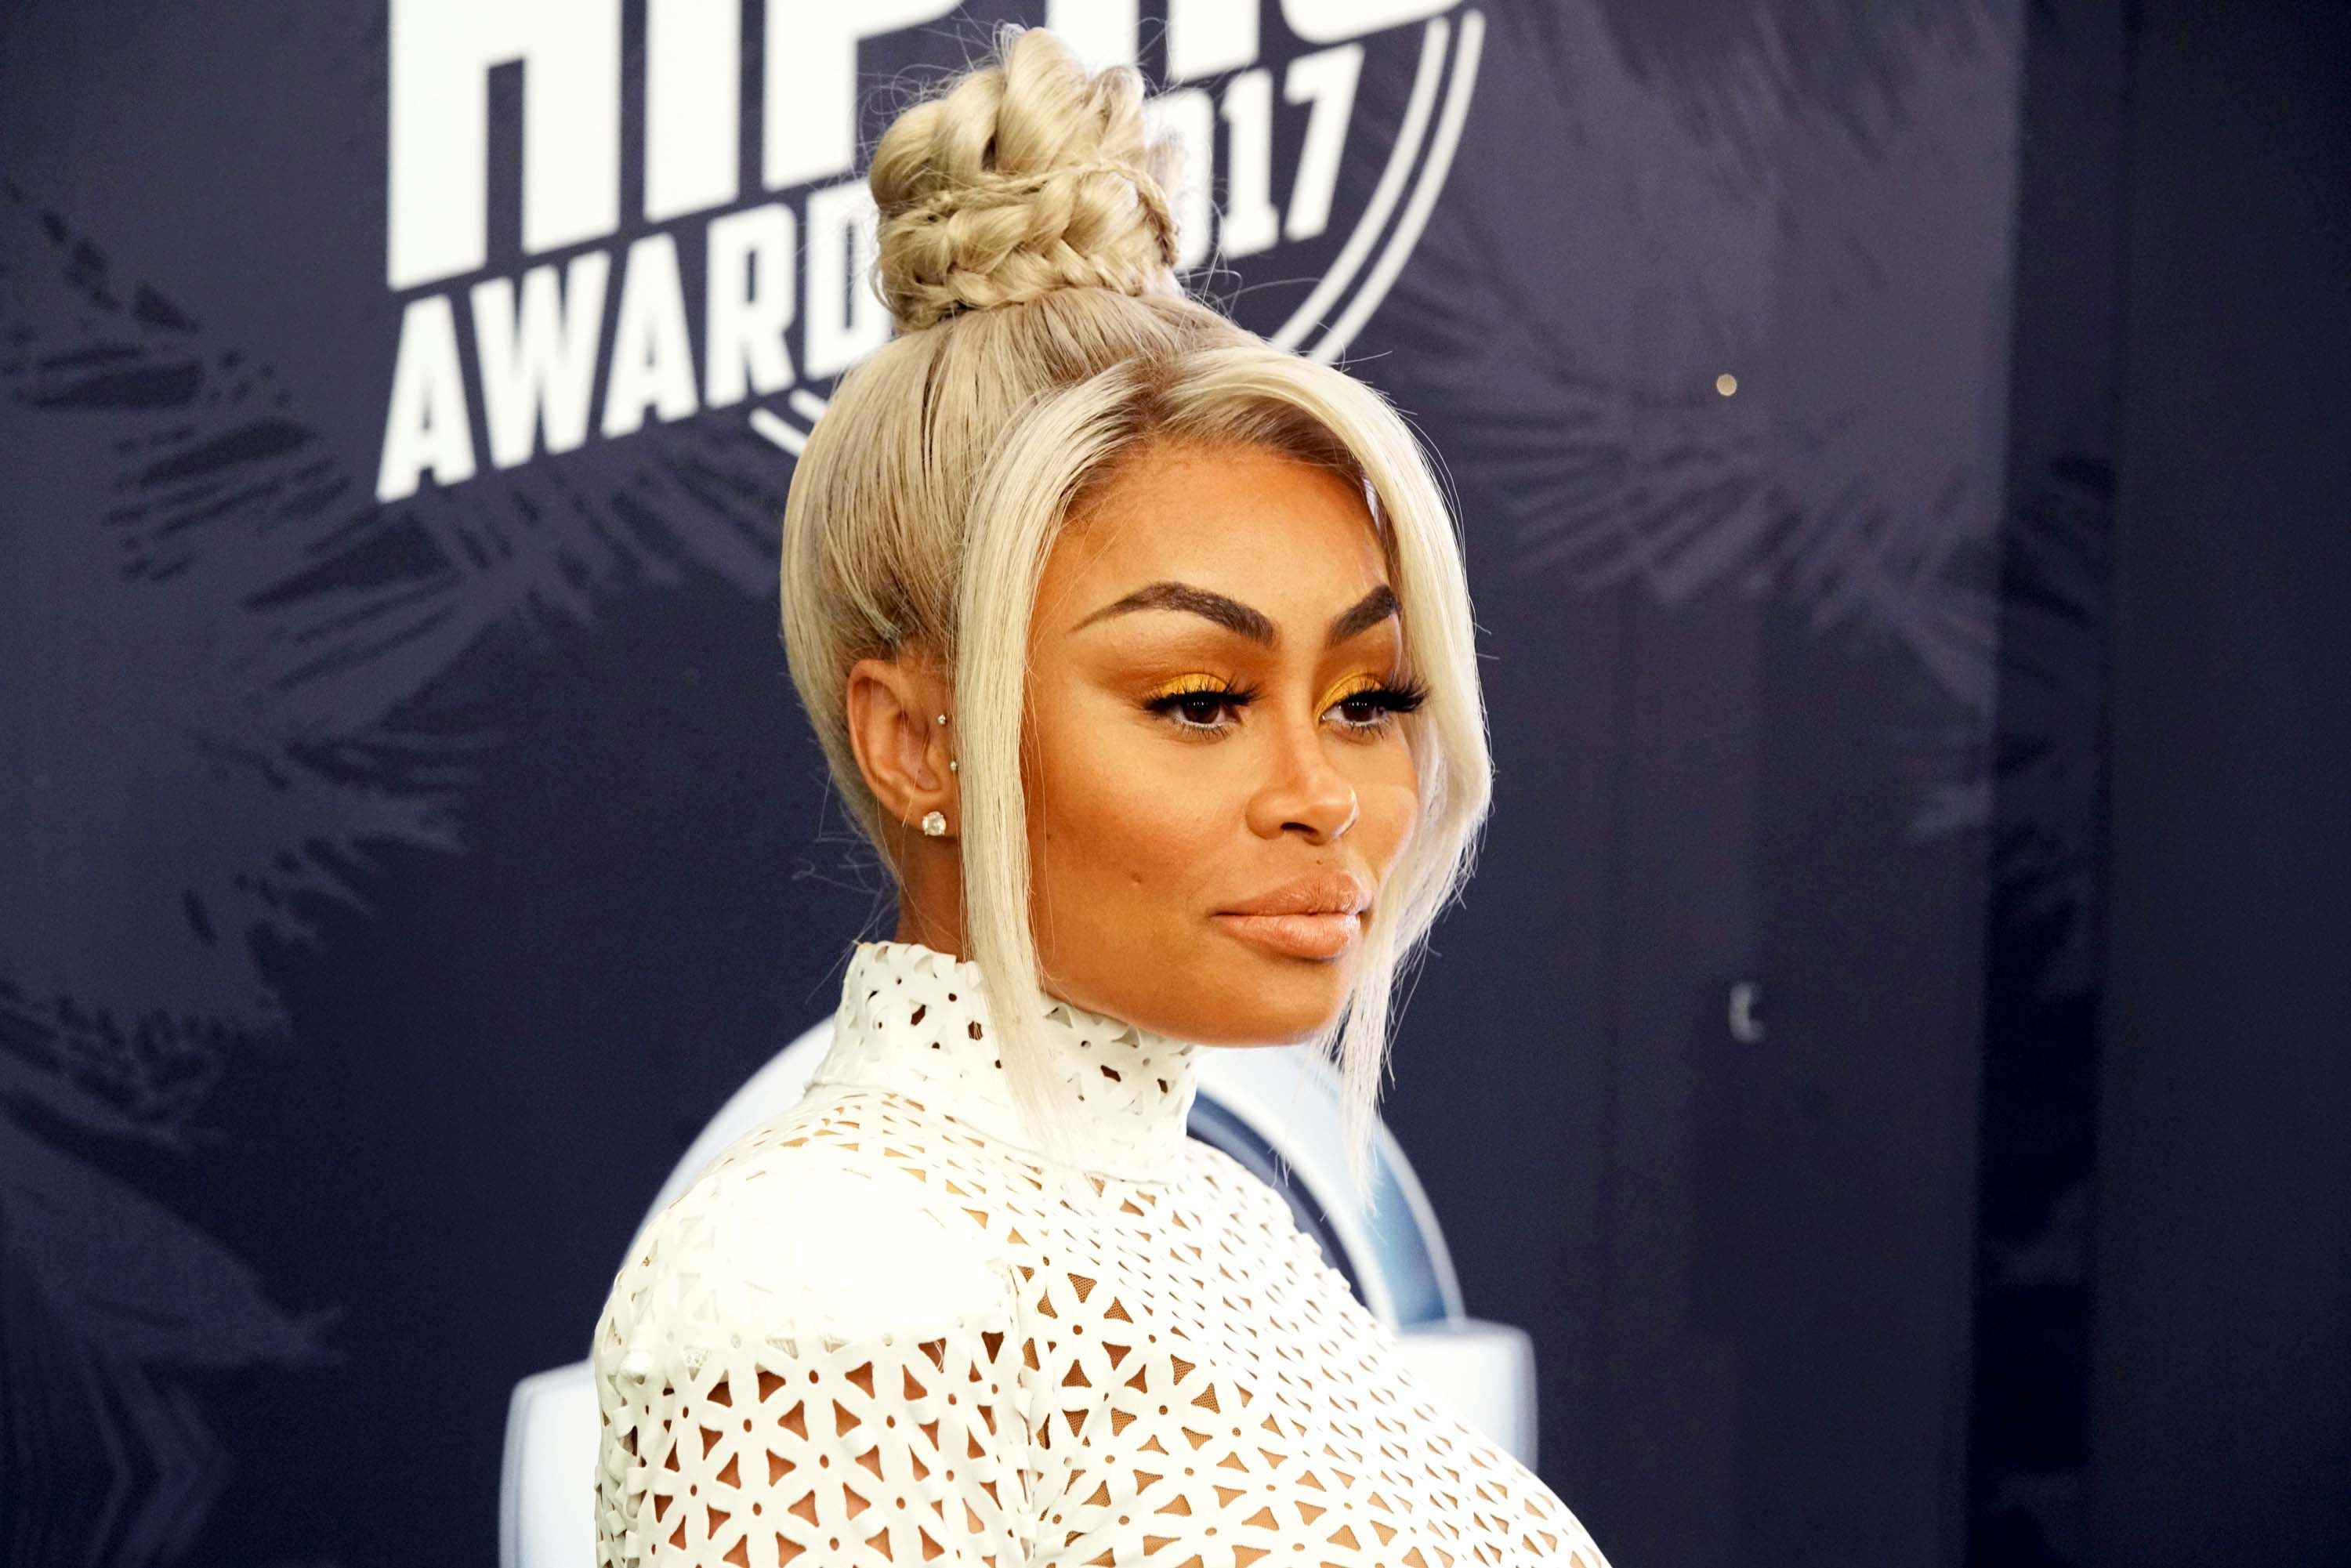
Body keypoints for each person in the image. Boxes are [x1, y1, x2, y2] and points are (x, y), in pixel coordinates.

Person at [589, 24, 1610, 1567]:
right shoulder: (816, 1262)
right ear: (916, 742)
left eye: (1368, 700)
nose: (1323, 794)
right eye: (1198, 699)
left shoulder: (1237, 1232)